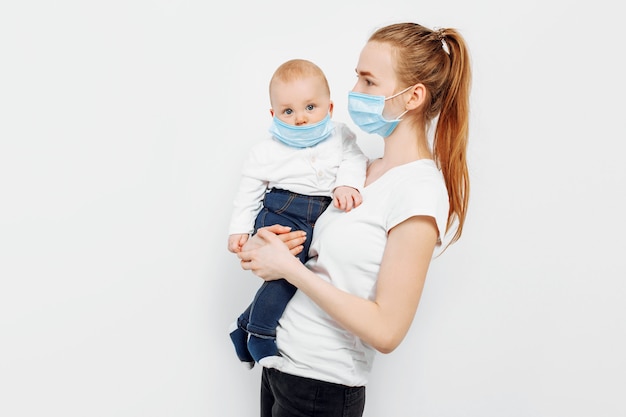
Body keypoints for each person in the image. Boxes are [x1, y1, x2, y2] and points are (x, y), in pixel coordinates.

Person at [237, 22, 472, 417]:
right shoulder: (360, 169)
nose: (354, 93)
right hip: (282, 366)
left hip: (322, 389)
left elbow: (387, 331)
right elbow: (318, 255)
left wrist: (290, 271)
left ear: (413, 96)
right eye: (356, 78)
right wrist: (270, 243)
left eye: (368, 81)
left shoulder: (419, 192)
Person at [227, 59, 368, 369]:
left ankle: (243, 326)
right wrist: (238, 229)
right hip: (281, 211)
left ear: (329, 108)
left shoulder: (340, 135)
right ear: (273, 114)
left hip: (319, 212)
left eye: (310, 107)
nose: (301, 119)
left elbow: (354, 160)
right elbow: (249, 190)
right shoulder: (265, 150)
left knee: (298, 271)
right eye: (288, 111)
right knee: (291, 273)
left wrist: (347, 185)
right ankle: (260, 334)